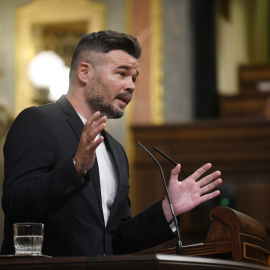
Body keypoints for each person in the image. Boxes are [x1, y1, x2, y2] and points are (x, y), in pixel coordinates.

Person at [1, 30, 222, 257]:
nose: (131, 86)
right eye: (122, 74)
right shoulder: (39, 122)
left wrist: (168, 209)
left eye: (134, 78)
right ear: (85, 72)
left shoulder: (115, 150)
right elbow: (16, 206)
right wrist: (76, 167)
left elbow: (113, 241)